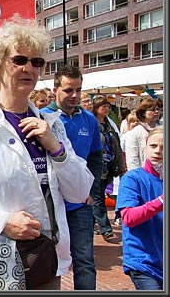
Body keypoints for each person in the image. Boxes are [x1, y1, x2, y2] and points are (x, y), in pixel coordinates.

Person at [0, 16, 94, 291]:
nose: (29, 68)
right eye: (19, 60)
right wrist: (3, 222)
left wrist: (56, 149)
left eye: (36, 62)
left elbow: (80, 192)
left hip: (44, 261)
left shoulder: (53, 126)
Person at [41, 65, 103, 289]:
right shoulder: (42, 118)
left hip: (80, 205)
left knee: (85, 261)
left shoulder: (90, 120)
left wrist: (90, 192)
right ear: (55, 89)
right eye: (68, 90)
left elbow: (96, 160)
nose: (74, 95)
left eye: (78, 90)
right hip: (51, 205)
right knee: (46, 262)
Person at [115, 126, 163, 290]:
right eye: (153, 146)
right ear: (146, 146)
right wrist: (161, 201)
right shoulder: (133, 178)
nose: (158, 151)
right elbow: (129, 218)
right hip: (143, 262)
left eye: (163, 147)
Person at [92, 95, 125, 241]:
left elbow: (116, 146)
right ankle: (106, 229)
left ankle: (90, 225)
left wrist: (119, 165)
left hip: (109, 166)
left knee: (98, 196)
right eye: (102, 106)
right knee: (98, 198)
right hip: (96, 166)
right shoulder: (93, 124)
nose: (106, 108)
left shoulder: (109, 125)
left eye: (107, 106)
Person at [124, 98, 161, 170]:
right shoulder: (135, 133)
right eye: (152, 110)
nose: (156, 112)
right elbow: (132, 160)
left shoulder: (162, 130)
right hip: (143, 175)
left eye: (158, 109)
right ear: (143, 113)